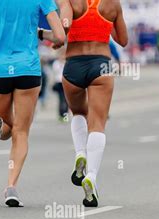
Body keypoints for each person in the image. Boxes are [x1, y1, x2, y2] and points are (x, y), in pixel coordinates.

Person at [0, 0, 65, 207]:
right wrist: (43, 35)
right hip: (28, 68)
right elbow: (60, 36)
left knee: (5, 124)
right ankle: (11, 187)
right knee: (20, 131)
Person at [58, 0, 128, 207]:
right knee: (97, 123)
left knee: (78, 112)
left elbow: (63, 28)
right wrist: (108, 25)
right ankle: (91, 177)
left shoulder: (71, 2)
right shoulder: (112, 4)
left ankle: (80, 154)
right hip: (101, 64)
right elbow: (123, 40)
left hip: (73, 65)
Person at [52, 51, 68, 122]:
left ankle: (65, 116)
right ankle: (61, 115)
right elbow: (56, 72)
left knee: (67, 100)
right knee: (61, 99)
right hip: (59, 82)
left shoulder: (67, 62)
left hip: (66, 82)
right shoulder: (56, 63)